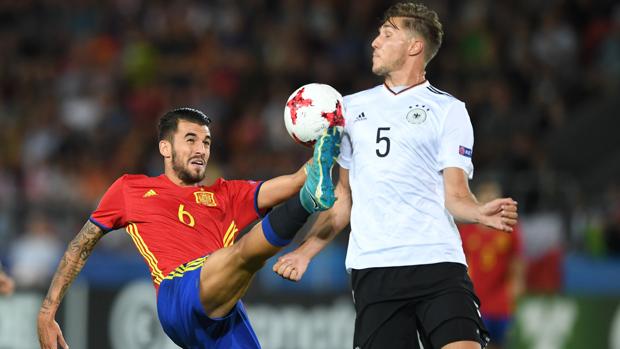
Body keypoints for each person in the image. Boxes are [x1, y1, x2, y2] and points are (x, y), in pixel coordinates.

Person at [273, 2, 518, 349]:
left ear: (414, 46)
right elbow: (343, 199)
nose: (374, 41)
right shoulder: (350, 109)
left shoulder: (449, 111)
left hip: (438, 261)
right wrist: (304, 252)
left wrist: (478, 212)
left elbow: (456, 196)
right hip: (375, 268)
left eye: (387, 34)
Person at [37, 107, 342, 349]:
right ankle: (306, 203)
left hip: (224, 313)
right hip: (177, 294)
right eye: (191, 140)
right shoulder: (131, 189)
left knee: (240, 257)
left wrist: (331, 137)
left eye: (207, 142)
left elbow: (293, 180)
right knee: (242, 256)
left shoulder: (225, 194)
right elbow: (80, 246)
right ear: (165, 148)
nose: (201, 149)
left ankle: (307, 199)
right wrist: (47, 313)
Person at [458, 181, 525, 349]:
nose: (490, 200)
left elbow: (517, 260)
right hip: (476, 300)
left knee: (500, 344)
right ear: (479, 201)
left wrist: (517, 285)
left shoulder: (509, 228)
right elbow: (461, 263)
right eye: (486, 197)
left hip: (502, 302)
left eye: (494, 196)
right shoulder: (467, 231)